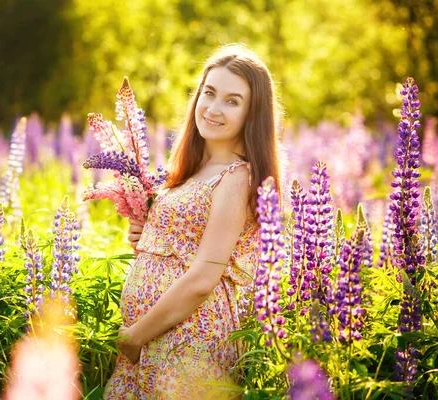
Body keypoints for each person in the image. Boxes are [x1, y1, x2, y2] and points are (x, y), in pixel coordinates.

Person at [103, 44, 283, 399]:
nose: (214, 109)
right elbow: (182, 242)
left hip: (187, 340)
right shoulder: (191, 172)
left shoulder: (236, 176)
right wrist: (146, 232)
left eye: (232, 101)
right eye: (210, 93)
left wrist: (135, 336)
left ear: (252, 114)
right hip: (154, 338)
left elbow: (203, 278)